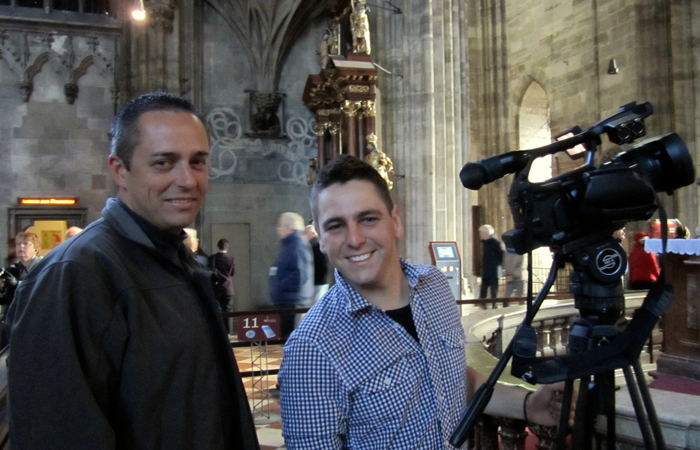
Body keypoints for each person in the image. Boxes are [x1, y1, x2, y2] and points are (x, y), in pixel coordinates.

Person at [6, 92, 259, 450]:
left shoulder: (178, 258)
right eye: (164, 163)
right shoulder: (75, 274)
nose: (187, 180)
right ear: (119, 170)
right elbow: (57, 433)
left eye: (198, 162)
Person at [278, 155, 565, 449]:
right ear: (322, 239)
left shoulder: (435, 286)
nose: (355, 239)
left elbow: (453, 381)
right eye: (336, 226)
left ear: (396, 221)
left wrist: (528, 404)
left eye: (368, 219)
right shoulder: (311, 348)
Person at [269, 212, 314, 337]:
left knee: (293, 343)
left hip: (293, 303)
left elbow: (299, 276)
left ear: (290, 228)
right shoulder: (290, 245)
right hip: (287, 302)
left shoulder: (298, 245)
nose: (278, 229)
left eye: (280, 225)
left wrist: (279, 286)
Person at [0, 232, 42, 309]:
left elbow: (41, 289)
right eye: (18, 244)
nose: (21, 246)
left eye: (26, 244)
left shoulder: (42, 266)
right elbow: (7, 300)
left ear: (35, 249)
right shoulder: (13, 269)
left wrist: (17, 284)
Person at [210, 238, 236, 333]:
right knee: (228, 311)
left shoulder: (212, 258)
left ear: (218, 246)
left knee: (217, 311)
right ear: (227, 247)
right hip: (228, 288)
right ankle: (228, 332)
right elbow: (233, 273)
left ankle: (218, 332)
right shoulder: (231, 258)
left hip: (216, 288)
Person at [303, 224, 329, 304]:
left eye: (306, 234)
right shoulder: (319, 245)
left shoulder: (314, 247)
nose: (304, 236)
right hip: (322, 281)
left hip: (318, 281)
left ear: (313, 234)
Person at [479, 224, 503, 308]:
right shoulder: (483, 243)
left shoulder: (495, 243)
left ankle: (494, 304)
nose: (480, 234)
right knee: (483, 289)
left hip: (493, 270)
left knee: (493, 289)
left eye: (481, 233)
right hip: (485, 270)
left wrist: (497, 265)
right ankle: (483, 303)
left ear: (486, 233)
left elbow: (501, 256)